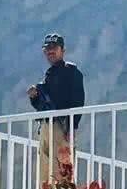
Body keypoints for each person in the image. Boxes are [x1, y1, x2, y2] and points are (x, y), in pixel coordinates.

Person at [27, 33, 84, 184]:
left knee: (62, 173)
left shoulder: (71, 72)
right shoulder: (49, 74)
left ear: (62, 50)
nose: (50, 51)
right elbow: (42, 106)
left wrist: (72, 127)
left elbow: (78, 101)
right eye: (47, 49)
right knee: (45, 173)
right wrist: (34, 97)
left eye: (54, 48)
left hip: (61, 126)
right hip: (46, 127)